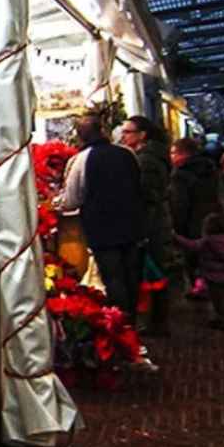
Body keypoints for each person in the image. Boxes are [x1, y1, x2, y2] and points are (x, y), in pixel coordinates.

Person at [57, 115, 146, 323]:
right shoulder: (128, 154)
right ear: (103, 130)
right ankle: (131, 321)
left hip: (102, 229)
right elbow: (139, 185)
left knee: (113, 279)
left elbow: (72, 200)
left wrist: (58, 203)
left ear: (80, 137)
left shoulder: (81, 160)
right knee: (132, 277)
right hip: (133, 225)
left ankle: (121, 326)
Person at [119, 116, 174, 335]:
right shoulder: (150, 156)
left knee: (155, 271)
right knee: (156, 271)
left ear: (142, 135)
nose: (123, 136)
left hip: (152, 223)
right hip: (155, 221)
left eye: (127, 132)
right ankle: (157, 320)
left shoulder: (146, 160)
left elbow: (148, 193)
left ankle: (158, 323)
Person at [170, 138, 223, 299]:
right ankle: (211, 285)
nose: (171, 156)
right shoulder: (209, 168)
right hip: (212, 216)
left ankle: (198, 288)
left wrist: (177, 226)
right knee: (210, 254)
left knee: (192, 255)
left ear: (183, 153)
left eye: (173, 152)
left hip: (192, 220)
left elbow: (180, 203)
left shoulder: (181, 174)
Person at [174, 212, 224, 330]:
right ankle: (222, 317)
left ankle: (223, 320)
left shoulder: (208, 241)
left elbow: (192, 245)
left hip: (214, 278)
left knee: (218, 301)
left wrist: (175, 237)